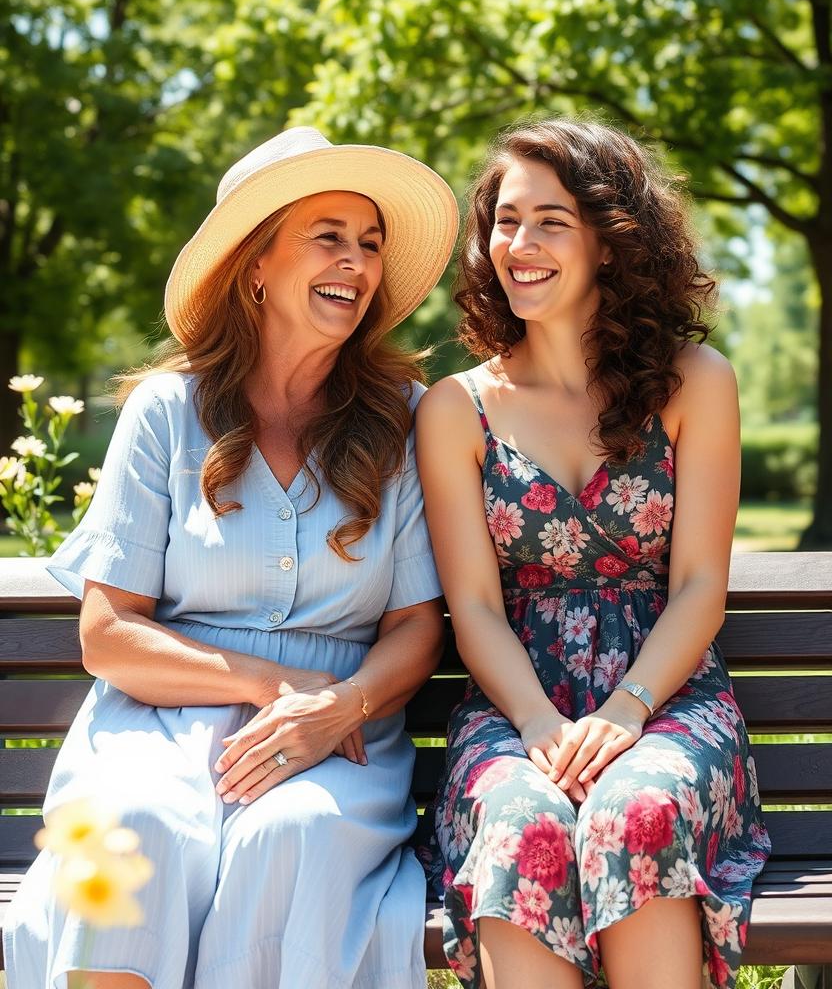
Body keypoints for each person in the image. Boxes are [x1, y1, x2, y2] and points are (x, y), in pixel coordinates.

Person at [5, 125, 459, 989]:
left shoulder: (403, 416)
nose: (357, 263)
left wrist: (338, 707)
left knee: (287, 841)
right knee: (135, 828)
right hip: (159, 725)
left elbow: (415, 630)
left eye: (369, 244)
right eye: (328, 237)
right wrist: (270, 686)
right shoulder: (167, 413)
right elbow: (108, 637)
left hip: (338, 734)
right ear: (255, 265)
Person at [416, 117, 770, 989]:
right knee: (526, 823)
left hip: (669, 693)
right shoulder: (458, 409)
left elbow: (697, 587)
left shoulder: (696, 383)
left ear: (610, 242)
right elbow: (476, 609)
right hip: (516, 700)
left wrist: (627, 709)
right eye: (504, 219)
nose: (519, 244)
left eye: (552, 221)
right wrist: (538, 726)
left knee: (637, 808)